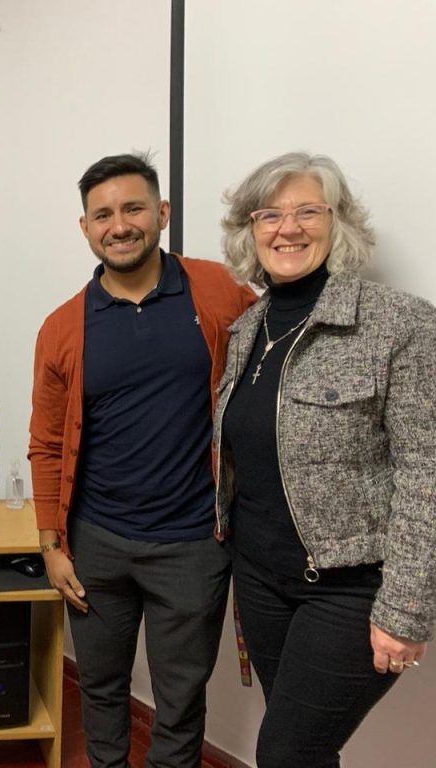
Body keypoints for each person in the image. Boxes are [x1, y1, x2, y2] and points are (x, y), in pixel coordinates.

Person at [29, 153, 256, 768]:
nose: (119, 225)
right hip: (95, 546)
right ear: (86, 228)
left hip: (193, 546)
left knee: (179, 702)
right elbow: (46, 443)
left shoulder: (220, 293)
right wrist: (51, 545)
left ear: (162, 213)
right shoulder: (62, 328)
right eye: (103, 215)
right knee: (101, 689)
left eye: (133, 209)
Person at [214, 152, 436, 767]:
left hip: (350, 589)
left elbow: (427, 471)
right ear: (250, 230)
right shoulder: (247, 329)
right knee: (306, 751)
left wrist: (406, 608)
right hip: (260, 581)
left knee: (285, 753)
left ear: (338, 223)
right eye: (270, 215)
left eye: (308, 212)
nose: (288, 228)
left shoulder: (399, 324)